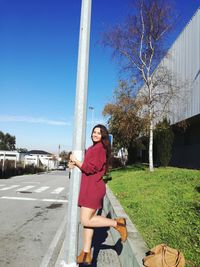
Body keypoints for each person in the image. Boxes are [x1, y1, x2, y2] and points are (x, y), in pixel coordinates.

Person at [68, 124, 128, 265]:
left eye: (99, 133)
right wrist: (74, 165)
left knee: (86, 220)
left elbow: (90, 168)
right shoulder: (94, 148)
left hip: (93, 189)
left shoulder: (100, 149)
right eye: (94, 132)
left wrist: (77, 161)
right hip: (89, 188)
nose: (95, 134)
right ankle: (86, 253)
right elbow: (88, 167)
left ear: (103, 136)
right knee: (89, 222)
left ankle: (117, 223)